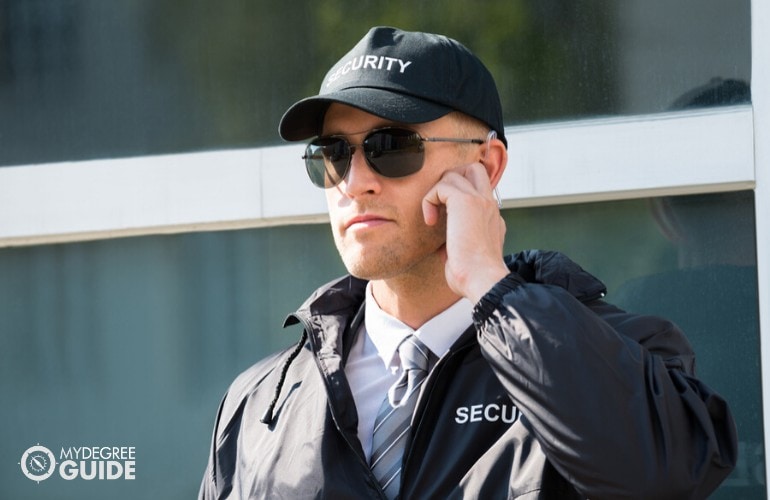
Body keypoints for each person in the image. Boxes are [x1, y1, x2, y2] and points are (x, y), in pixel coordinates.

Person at [198, 26, 737, 499]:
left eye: (391, 145)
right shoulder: (259, 402)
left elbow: (665, 475)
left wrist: (489, 285)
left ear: (487, 163)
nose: (356, 180)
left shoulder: (618, 353)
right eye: (334, 153)